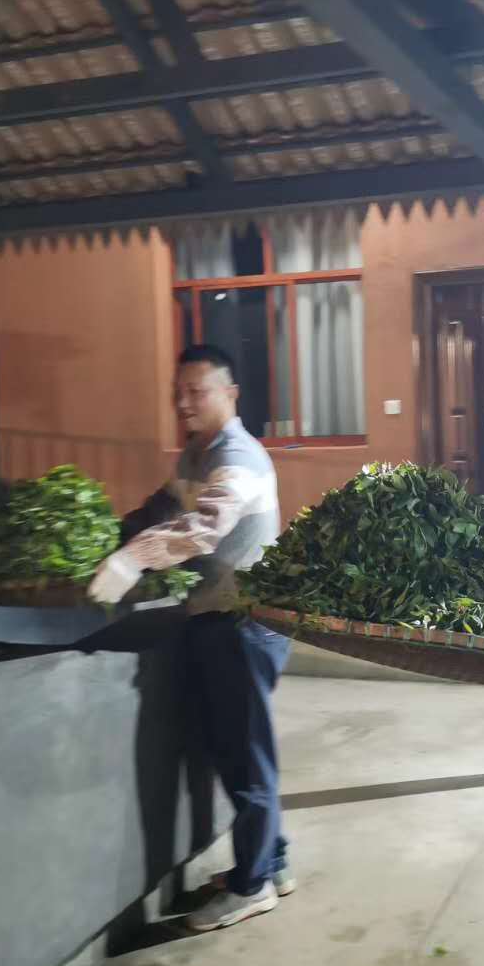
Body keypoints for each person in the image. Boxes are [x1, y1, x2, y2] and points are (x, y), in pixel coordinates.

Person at [88, 344, 293, 933]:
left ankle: (251, 887)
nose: (183, 403)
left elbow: (204, 527)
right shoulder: (197, 452)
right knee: (234, 749)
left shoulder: (238, 457)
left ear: (231, 394)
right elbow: (166, 505)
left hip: (246, 622)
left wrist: (133, 559)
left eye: (196, 392)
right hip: (216, 616)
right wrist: (111, 533)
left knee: (246, 754)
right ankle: (272, 864)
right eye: (178, 393)